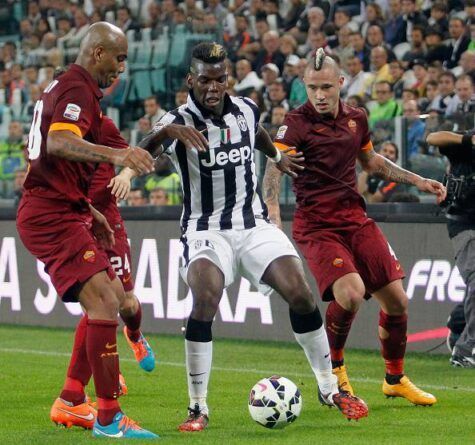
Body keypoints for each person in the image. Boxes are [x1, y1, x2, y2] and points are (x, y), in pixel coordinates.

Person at [126, 42, 369, 432]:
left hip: (252, 224)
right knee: (206, 298)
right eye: (204, 80)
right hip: (205, 229)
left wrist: (275, 156)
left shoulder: (245, 108)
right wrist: (165, 133)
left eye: (220, 80)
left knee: (301, 293)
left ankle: (329, 388)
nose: (213, 88)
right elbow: (143, 152)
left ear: (228, 79)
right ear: (191, 80)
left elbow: (255, 132)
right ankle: (198, 406)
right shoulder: (177, 119)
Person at [263, 48, 445, 407]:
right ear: (304, 85)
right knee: (350, 293)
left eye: (327, 87)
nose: (319, 95)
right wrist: (272, 215)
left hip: (355, 219)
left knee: (397, 301)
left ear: (341, 83)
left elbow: (371, 162)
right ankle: (334, 375)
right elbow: (273, 167)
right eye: (313, 87)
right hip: (317, 225)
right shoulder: (295, 123)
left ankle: (395, 379)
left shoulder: (356, 118)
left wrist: (419, 181)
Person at [16, 22, 158, 439]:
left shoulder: (70, 87)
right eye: (119, 58)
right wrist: (118, 154)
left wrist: (88, 209)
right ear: (97, 53)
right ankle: (109, 417)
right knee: (103, 303)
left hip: (63, 208)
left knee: (112, 298)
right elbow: (59, 142)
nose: (122, 68)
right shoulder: (77, 89)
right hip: (49, 215)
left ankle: (72, 399)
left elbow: (49, 156)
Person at [426, 129, 475, 367]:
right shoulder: (467, 144)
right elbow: (432, 138)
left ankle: (458, 323)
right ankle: (466, 350)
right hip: (465, 223)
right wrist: (468, 140)